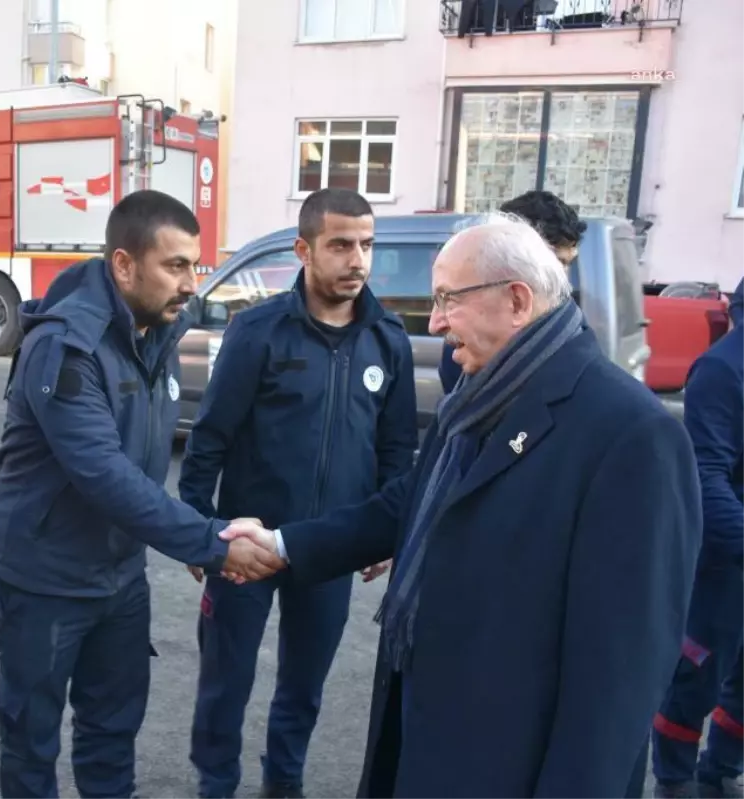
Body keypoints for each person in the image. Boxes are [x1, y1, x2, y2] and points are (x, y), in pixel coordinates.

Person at [221, 212, 702, 798]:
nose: (438, 321)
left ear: (518, 301)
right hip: (427, 731)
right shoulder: (482, 397)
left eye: (449, 299)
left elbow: (622, 676)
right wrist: (282, 543)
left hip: (510, 764)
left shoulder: (632, 435)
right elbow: (414, 501)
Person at [0, 189, 285, 799]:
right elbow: (103, 474)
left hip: (119, 577)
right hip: (43, 581)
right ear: (124, 265)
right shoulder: (66, 347)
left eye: (195, 265)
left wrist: (200, 530)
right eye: (175, 266)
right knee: (31, 742)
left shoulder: (158, 333)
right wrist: (210, 545)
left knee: (112, 733)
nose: (191, 283)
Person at [179, 187, 417, 799]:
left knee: (304, 686)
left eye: (366, 245)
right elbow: (210, 437)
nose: (357, 260)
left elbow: (395, 451)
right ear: (303, 250)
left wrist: (383, 533)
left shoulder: (387, 337)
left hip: (327, 550)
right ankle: (217, 783)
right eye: (340, 245)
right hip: (245, 547)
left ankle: (283, 782)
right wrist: (199, 531)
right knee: (225, 682)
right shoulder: (258, 331)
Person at [649, 275, 744, 799]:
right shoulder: (722, 371)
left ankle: (722, 769)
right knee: (697, 676)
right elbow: (707, 476)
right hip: (723, 562)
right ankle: (676, 779)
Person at [439, 190, 586, 394]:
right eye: (555, 263)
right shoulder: (462, 346)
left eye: (566, 264)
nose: (561, 277)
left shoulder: (575, 345)